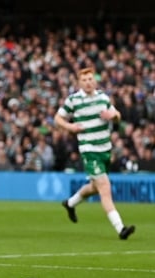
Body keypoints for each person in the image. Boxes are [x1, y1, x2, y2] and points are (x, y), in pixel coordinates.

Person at [54, 67, 135, 240]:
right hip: (89, 150)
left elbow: (117, 115)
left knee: (94, 188)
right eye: (84, 80)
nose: (88, 82)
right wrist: (70, 127)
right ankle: (121, 228)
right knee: (104, 188)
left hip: (105, 149)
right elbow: (58, 118)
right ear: (79, 83)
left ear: (95, 81)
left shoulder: (103, 98)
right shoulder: (73, 100)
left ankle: (70, 203)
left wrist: (112, 116)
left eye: (91, 79)